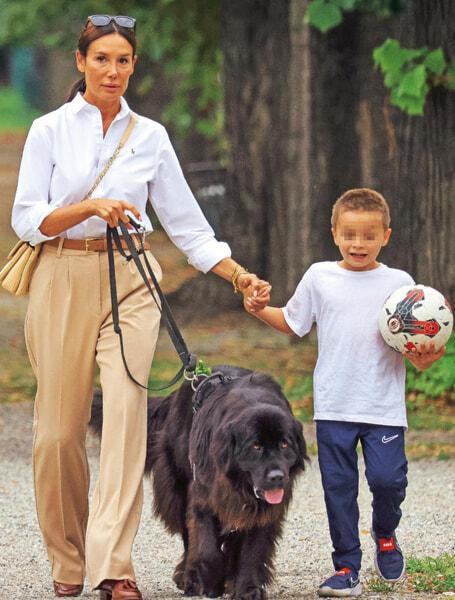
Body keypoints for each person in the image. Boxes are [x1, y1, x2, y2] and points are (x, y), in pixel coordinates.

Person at [11, 14, 270, 600]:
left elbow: (187, 225)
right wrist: (90, 207)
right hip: (62, 277)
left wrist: (238, 276)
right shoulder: (49, 130)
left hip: (132, 279)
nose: (113, 70)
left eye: (123, 60)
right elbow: (26, 219)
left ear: (133, 66)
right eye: (101, 58)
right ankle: (68, 557)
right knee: (57, 434)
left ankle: (113, 566)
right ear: (81, 63)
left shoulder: (149, 136)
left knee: (127, 420)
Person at [243, 188, 445, 597]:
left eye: (369, 236)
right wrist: (257, 309)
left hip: (383, 407)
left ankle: (385, 535)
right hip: (334, 405)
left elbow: (416, 353)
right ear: (334, 232)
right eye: (350, 234)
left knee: (388, 481)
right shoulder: (320, 277)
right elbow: (292, 322)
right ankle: (346, 567)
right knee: (339, 489)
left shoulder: (401, 284)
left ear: (386, 236)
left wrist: (425, 358)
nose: (358, 244)